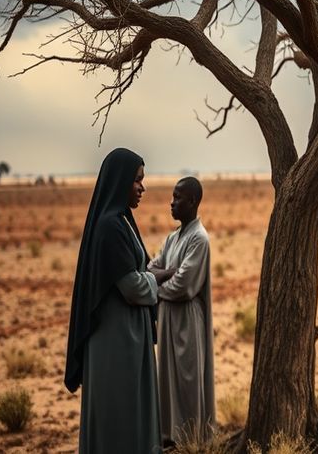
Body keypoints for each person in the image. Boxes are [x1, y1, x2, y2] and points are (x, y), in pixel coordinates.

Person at [64, 148, 160, 453]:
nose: (142, 187)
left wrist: (145, 274)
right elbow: (132, 285)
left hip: (124, 338)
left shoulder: (120, 222)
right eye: (137, 181)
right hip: (115, 343)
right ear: (120, 182)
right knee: (118, 414)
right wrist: (156, 278)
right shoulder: (110, 227)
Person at [149, 177, 215, 445]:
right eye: (172, 197)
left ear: (193, 201)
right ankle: (170, 438)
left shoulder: (199, 239)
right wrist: (161, 276)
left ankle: (192, 441)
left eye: (178, 198)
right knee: (168, 380)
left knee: (188, 382)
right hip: (168, 319)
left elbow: (183, 286)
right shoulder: (173, 237)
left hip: (188, 320)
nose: (172, 203)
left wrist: (155, 287)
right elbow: (151, 268)